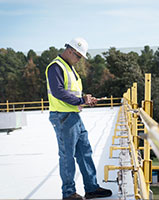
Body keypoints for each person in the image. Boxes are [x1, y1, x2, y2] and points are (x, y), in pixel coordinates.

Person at [45, 37, 112, 200]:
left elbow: (71, 91)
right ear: (69, 51)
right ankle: (68, 194)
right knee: (67, 156)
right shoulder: (56, 67)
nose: (79, 60)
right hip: (63, 116)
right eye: (78, 56)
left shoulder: (68, 66)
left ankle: (91, 188)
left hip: (73, 115)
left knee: (84, 152)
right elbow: (58, 92)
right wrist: (82, 100)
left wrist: (84, 98)